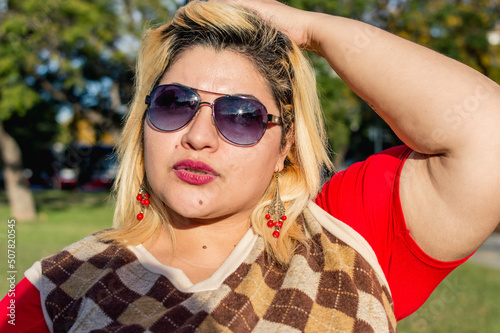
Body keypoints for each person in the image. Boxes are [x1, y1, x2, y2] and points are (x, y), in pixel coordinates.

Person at [2, 0, 500, 331]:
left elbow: (488, 132)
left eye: (240, 116)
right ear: (143, 120)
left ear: (284, 147)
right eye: (175, 103)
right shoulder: (55, 288)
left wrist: (310, 28)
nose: (198, 136)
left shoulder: (351, 237)